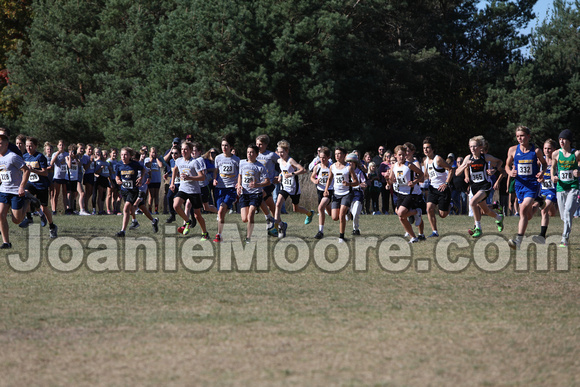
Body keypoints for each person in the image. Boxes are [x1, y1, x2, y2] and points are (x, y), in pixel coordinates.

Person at [505, 126, 547, 249]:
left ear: (528, 136)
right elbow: (507, 166)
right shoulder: (512, 150)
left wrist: (542, 173)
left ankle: (518, 241)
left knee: (522, 210)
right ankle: (538, 203)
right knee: (527, 216)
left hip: (532, 185)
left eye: (522, 136)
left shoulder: (536, 151)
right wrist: (509, 172)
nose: (520, 138)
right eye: (518, 136)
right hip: (519, 185)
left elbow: (544, 164)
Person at [455, 135, 504, 238]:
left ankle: (478, 228)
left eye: (475, 146)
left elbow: (500, 161)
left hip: (485, 186)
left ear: (480, 147)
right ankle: (499, 218)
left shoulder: (485, 157)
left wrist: (494, 169)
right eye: (470, 146)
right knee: (485, 211)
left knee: (473, 202)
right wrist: (465, 165)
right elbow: (457, 173)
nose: (472, 149)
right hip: (474, 186)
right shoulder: (468, 158)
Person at [0, 130, 35, 248]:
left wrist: (21, 187)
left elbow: (26, 170)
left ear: (6, 144)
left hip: (16, 191)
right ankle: (6, 243)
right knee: (0, 215)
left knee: (16, 220)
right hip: (4, 190)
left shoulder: (13, 157)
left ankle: (27, 200)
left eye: (0, 143)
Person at [114, 147, 159, 237]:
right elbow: (117, 176)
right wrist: (118, 180)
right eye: (122, 155)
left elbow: (143, 169)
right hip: (124, 190)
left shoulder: (134, 164)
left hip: (133, 190)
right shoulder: (119, 165)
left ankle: (123, 231)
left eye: (125, 155)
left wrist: (141, 178)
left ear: (130, 156)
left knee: (126, 208)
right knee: (142, 207)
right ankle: (153, 221)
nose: (123, 156)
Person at [169, 141, 210, 240]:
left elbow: (202, 177)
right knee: (176, 205)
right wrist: (172, 183)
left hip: (194, 191)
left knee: (197, 215)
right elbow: (175, 169)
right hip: (183, 189)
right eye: (182, 149)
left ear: (190, 151)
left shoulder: (194, 162)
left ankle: (205, 233)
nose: (183, 151)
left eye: (186, 149)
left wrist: (189, 177)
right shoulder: (179, 160)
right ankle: (188, 221)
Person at [274, 140, 314, 238]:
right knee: (278, 204)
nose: (280, 154)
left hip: (294, 189)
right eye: (279, 152)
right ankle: (277, 226)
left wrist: (292, 174)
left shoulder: (290, 161)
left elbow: (303, 170)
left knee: (295, 209)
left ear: (287, 151)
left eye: (282, 152)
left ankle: (309, 213)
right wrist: (280, 176)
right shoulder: (279, 160)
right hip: (284, 187)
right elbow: (282, 171)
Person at [23, 136, 58, 238]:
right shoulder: (24, 156)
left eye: (31, 146)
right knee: (26, 196)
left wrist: (32, 170)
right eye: (27, 146)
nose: (28, 148)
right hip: (31, 183)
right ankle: (29, 217)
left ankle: (52, 226)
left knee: (45, 207)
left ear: (36, 146)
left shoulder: (40, 157)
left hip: (41, 185)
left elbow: (45, 173)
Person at [389, 145, 424, 243]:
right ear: (395, 155)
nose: (401, 157)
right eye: (399, 155)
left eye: (403, 155)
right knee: (400, 216)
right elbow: (392, 179)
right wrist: (390, 178)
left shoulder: (409, 165)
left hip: (410, 193)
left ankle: (416, 212)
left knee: (401, 213)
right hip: (400, 193)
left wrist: (414, 182)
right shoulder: (394, 166)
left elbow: (421, 174)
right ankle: (413, 237)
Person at [550, 129, 580, 247]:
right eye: (560, 139)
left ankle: (564, 238)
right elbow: (552, 167)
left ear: (569, 141)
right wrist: (553, 176)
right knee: (564, 216)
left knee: (568, 211)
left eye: (564, 139)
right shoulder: (556, 154)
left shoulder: (576, 153)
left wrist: (578, 171)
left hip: (573, 187)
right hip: (560, 187)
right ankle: (566, 233)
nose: (561, 141)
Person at [324, 147, 358, 243]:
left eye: (339, 154)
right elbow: (329, 179)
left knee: (341, 214)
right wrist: (326, 189)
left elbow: (356, 182)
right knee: (335, 217)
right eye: (335, 154)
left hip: (346, 193)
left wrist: (348, 184)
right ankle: (348, 212)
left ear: (344, 155)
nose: (337, 156)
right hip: (336, 194)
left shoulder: (348, 167)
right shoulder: (332, 167)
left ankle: (341, 237)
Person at [237, 144, 270, 243]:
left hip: (256, 194)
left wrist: (258, 184)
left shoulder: (260, 166)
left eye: (251, 152)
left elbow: (267, 181)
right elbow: (240, 175)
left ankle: (248, 237)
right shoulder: (242, 163)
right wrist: (238, 185)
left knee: (251, 214)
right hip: (244, 193)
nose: (249, 154)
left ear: (256, 154)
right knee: (244, 219)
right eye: (248, 152)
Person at [422, 137, 454, 237]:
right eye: (424, 148)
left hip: (443, 189)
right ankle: (434, 232)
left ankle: (451, 205)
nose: (425, 150)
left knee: (442, 215)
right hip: (433, 188)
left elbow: (451, 170)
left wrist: (446, 183)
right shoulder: (425, 161)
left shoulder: (438, 159)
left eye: (427, 148)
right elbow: (427, 175)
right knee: (429, 208)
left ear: (433, 149)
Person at [213, 135, 240, 242]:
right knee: (221, 212)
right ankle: (220, 234)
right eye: (222, 145)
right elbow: (216, 171)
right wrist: (215, 179)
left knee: (221, 211)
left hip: (231, 188)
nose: (224, 148)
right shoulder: (218, 158)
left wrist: (238, 183)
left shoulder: (236, 160)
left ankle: (218, 234)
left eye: (226, 146)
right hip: (219, 188)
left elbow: (240, 174)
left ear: (231, 147)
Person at [531, 139, 559, 243]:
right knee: (550, 213)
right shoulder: (540, 161)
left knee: (544, 210)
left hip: (552, 190)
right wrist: (539, 178)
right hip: (541, 190)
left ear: (554, 150)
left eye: (549, 148)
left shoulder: (556, 162)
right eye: (545, 148)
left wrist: (555, 178)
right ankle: (553, 208)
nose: (547, 150)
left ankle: (542, 236)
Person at [255, 134, 280, 236]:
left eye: (260, 144)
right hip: (259, 183)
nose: (258, 146)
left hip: (269, 183)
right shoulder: (255, 154)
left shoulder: (271, 155)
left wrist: (279, 176)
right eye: (257, 144)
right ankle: (280, 225)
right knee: (272, 206)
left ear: (265, 144)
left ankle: (268, 220)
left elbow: (281, 164)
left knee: (259, 197)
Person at [311, 146, 333, 239]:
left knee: (320, 208)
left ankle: (320, 231)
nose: (322, 159)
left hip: (329, 191)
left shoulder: (331, 167)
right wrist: (315, 181)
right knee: (331, 214)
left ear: (328, 157)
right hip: (320, 191)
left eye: (324, 157)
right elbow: (312, 177)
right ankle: (343, 214)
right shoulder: (317, 167)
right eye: (320, 157)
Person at [347, 152, 366, 235]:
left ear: (355, 163)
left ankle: (356, 229)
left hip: (358, 194)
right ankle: (348, 213)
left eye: (351, 162)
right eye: (348, 162)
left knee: (355, 213)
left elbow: (364, 184)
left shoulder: (359, 172)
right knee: (347, 215)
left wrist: (360, 185)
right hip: (348, 194)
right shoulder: (346, 172)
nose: (349, 163)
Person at [93, 147, 114, 215]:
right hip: (100, 178)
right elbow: (95, 172)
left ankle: (102, 209)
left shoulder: (107, 163)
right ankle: (100, 209)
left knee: (104, 195)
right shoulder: (99, 162)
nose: (105, 156)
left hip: (105, 179)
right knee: (100, 194)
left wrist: (110, 171)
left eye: (106, 155)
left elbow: (109, 174)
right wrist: (101, 168)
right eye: (104, 155)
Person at [145, 147, 164, 215]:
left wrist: (156, 159)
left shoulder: (157, 160)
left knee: (156, 195)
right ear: (150, 153)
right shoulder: (147, 159)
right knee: (151, 195)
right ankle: (149, 209)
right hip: (151, 180)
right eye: (153, 152)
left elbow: (161, 165)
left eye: (155, 152)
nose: (154, 154)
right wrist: (151, 159)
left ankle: (156, 209)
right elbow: (148, 165)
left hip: (157, 180)